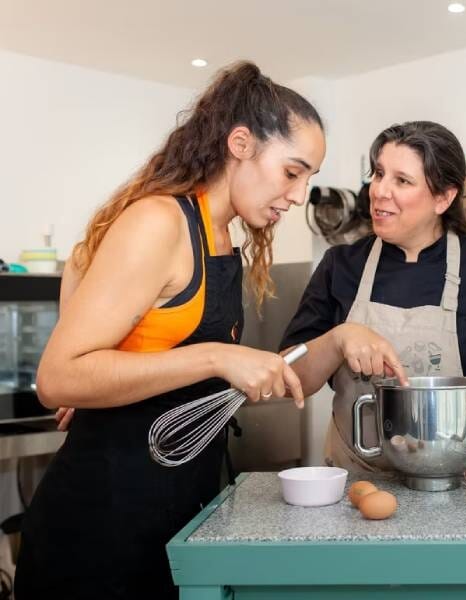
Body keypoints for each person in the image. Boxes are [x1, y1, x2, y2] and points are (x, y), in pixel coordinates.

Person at [15, 61, 325, 600]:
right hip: (100, 532)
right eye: (292, 172)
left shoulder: (222, 235)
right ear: (241, 143)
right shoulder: (161, 221)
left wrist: (109, 363)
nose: (298, 196)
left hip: (176, 514)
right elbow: (57, 378)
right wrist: (214, 358)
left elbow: (85, 261)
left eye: (308, 179)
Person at [281, 120, 466, 473]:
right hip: (361, 481)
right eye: (378, 174)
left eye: (402, 181)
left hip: (465, 488)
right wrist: (338, 339)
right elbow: (289, 377)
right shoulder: (341, 266)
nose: (379, 191)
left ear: (444, 197)